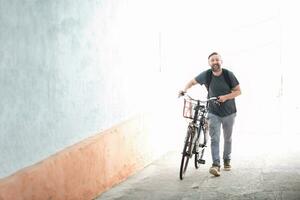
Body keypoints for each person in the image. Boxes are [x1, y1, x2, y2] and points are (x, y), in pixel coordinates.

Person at [179, 52, 241, 177]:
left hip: (229, 112)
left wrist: (225, 97)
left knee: (227, 138)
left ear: (221, 61)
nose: (215, 62)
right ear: (209, 63)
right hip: (213, 112)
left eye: (217, 60)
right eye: (212, 60)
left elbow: (238, 91)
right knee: (215, 138)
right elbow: (192, 82)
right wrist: (184, 89)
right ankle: (216, 164)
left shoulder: (229, 75)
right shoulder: (207, 74)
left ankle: (227, 160)